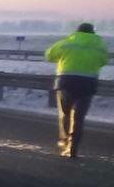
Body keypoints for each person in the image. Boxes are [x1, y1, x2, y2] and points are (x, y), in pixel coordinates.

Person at [46, 23, 109, 158]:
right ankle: (73, 146)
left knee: (65, 113)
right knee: (79, 117)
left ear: (77, 31)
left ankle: (64, 141)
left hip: (66, 82)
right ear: (93, 33)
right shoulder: (99, 45)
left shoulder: (68, 42)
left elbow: (49, 55)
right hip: (87, 83)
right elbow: (104, 60)